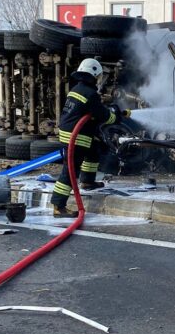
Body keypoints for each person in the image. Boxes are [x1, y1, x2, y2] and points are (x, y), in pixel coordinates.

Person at [49, 59, 128, 218]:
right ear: (93, 75)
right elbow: (103, 116)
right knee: (70, 170)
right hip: (76, 137)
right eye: (99, 76)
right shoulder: (90, 94)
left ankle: (87, 181)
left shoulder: (77, 89)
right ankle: (58, 206)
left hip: (70, 133)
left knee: (93, 152)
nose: (100, 79)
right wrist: (115, 116)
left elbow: (89, 112)